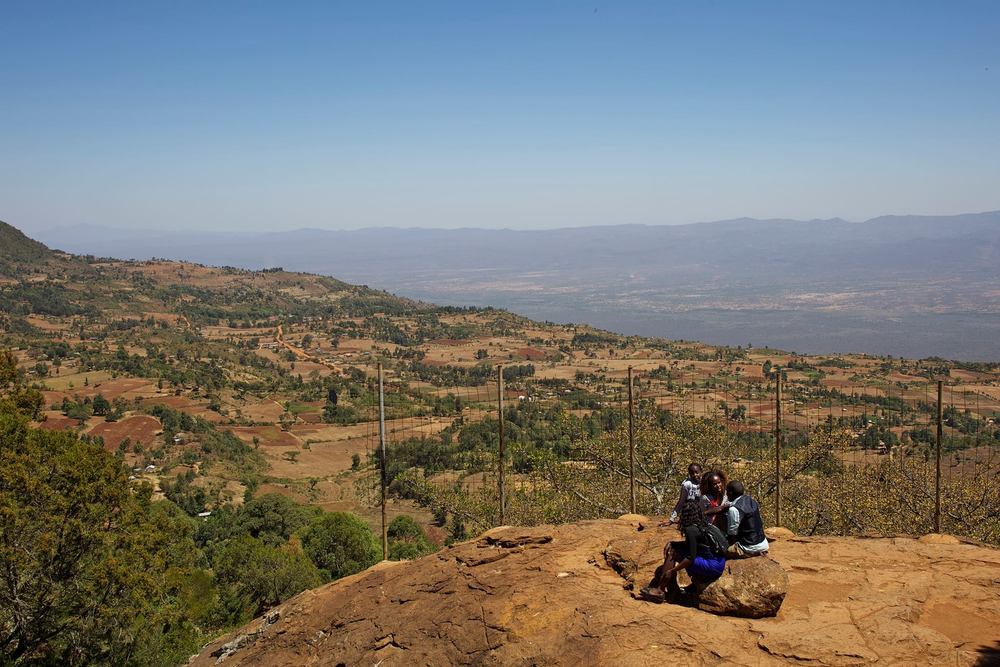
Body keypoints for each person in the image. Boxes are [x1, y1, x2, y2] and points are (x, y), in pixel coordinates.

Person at [641, 499, 727, 603]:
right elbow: (692, 545)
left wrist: (672, 571)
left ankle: (660, 590)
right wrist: (673, 543)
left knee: (673, 552)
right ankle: (672, 592)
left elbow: (691, 557)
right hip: (719, 561)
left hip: (712, 566)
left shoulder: (690, 529)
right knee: (675, 548)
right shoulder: (702, 524)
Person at [724, 480, 769, 558]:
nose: (726, 494)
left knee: (721, 550)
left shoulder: (734, 509)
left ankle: (750, 553)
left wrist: (732, 545)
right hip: (763, 543)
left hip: (749, 547)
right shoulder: (751, 500)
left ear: (730, 493)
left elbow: (732, 533)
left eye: (727, 492)